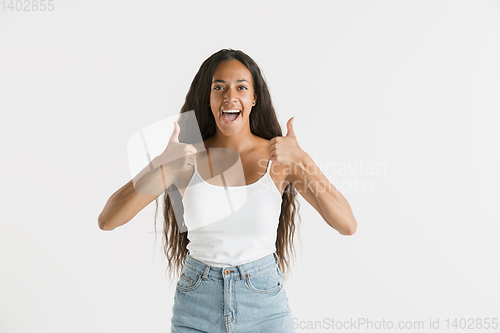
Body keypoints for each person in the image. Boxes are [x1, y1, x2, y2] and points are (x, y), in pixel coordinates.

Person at [98, 49, 357, 332]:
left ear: (254, 98)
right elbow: (108, 219)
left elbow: (346, 224)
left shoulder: (280, 160)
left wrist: (303, 160)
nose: (229, 97)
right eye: (218, 87)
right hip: (196, 306)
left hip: (264, 308)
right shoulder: (184, 158)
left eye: (241, 87)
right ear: (208, 98)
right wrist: (161, 164)